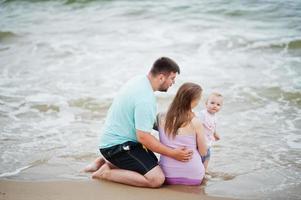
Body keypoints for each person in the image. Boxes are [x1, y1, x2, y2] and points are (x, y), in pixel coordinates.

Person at [83, 57, 193, 188]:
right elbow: (144, 137)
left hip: (116, 142)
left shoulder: (139, 80)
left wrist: (178, 125)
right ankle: (105, 173)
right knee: (156, 179)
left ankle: (105, 161)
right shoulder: (145, 98)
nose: (173, 82)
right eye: (172, 78)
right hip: (117, 147)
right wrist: (173, 153)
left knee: (154, 165)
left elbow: (145, 121)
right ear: (162, 77)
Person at [156, 82, 207, 185]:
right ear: (193, 101)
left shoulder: (160, 117)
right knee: (207, 150)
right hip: (194, 177)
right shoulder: (195, 122)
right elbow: (203, 152)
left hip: (167, 175)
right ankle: (205, 173)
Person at [197, 92, 223, 172]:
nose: (215, 106)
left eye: (218, 104)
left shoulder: (215, 116)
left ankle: (204, 172)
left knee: (207, 159)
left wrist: (215, 134)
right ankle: (198, 172)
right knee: (198, 161)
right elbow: (197, 126)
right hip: (200, 144)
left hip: (208, 144)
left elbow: (212, 127)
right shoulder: (203, 114)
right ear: (206, 104)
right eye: (212, 103)